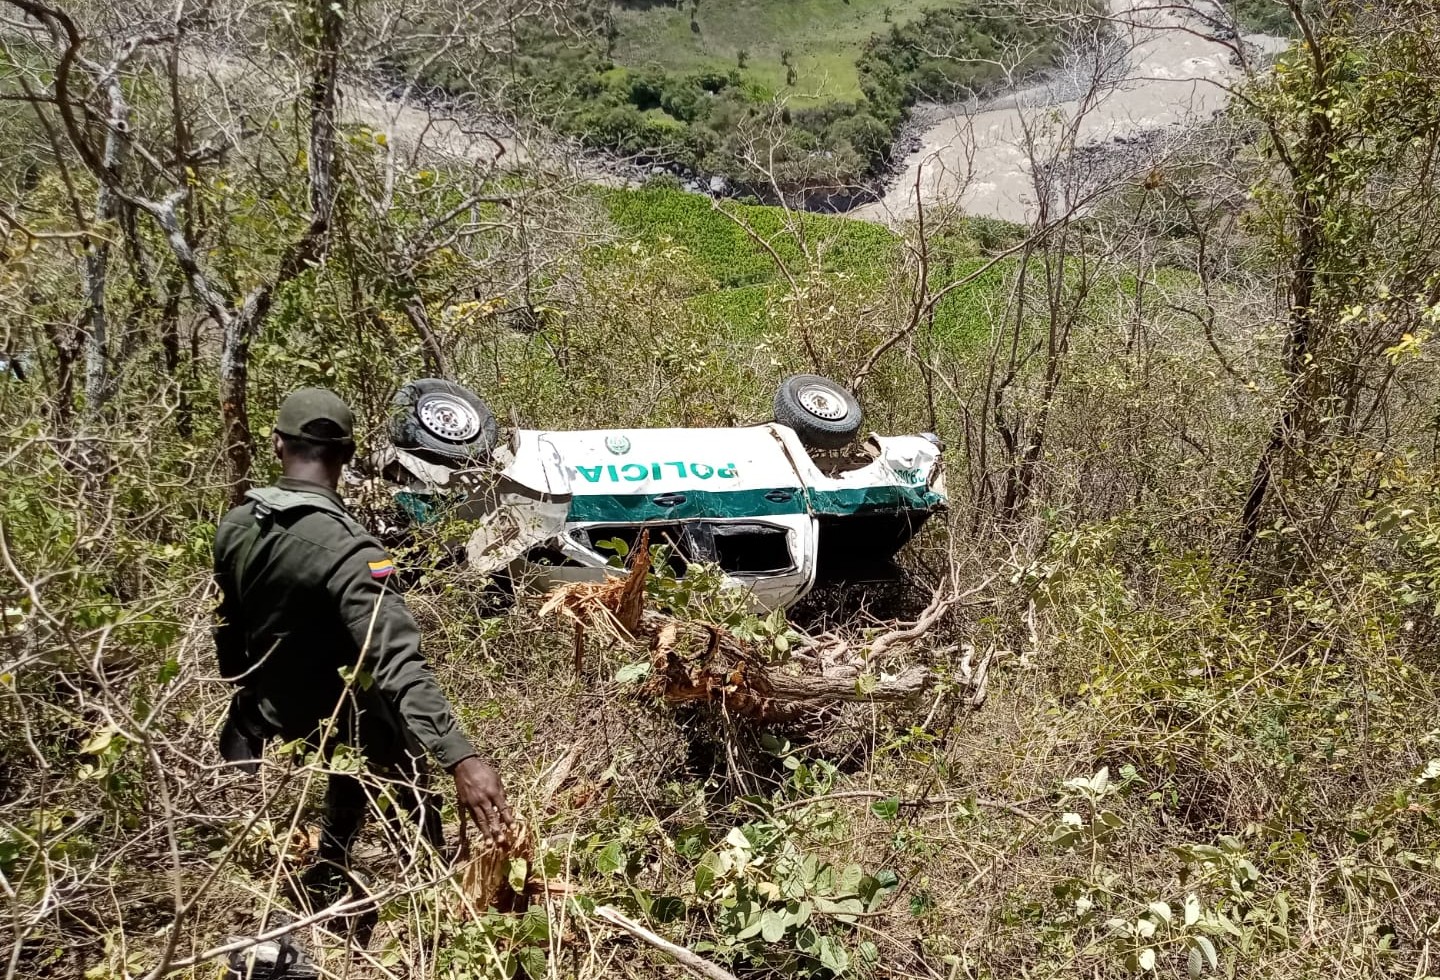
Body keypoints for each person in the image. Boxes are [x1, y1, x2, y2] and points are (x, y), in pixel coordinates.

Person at [212, 387, 511, 909]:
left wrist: (251, 704)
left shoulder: (237, 525)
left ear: (278, 444)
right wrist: (461, 758)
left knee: (348, 763)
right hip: (338, 713)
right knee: (411, 788)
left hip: (277, 710)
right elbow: (396, 660)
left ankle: (330, 867)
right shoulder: (351, 550)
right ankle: (433, 905)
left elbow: (232, 630)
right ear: (349, 456)